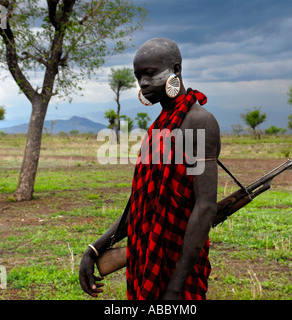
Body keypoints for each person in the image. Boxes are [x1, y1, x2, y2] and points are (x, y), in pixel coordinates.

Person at [79, 38, 221, 300]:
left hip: (180, 268)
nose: (143, 83)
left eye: (150, 73)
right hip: (145, 260)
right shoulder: (158, 127)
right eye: (138, 76)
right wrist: (94, 249)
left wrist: (175, 287)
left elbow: (206, 207)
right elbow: (140, 205)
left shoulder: (198, 122)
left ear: (176, 71)